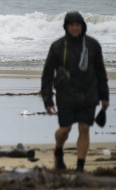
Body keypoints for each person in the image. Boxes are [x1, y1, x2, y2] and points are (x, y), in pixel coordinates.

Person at [41, 11, 109, 172]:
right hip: (66, 95)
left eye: (78, 24)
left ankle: (80, 167)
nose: (75, 27)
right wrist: (48, 101)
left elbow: (101, 72)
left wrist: (104, 96)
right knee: (65, 130)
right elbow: (47, 75)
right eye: (71, 24)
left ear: (82, 26)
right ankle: (58, 150)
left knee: (84, 127)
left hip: (88, 94)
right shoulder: (57, 47)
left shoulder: (93, 45)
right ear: (66, 27)